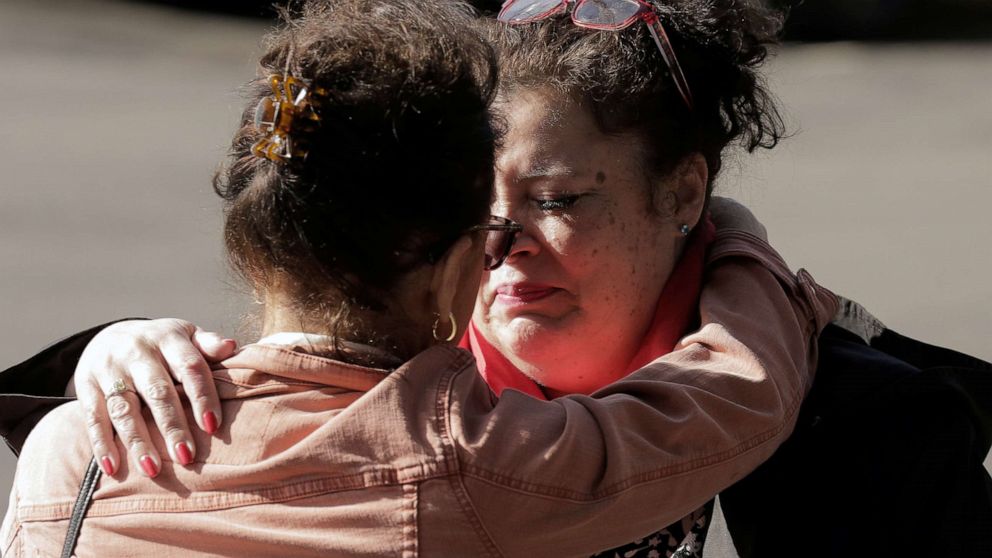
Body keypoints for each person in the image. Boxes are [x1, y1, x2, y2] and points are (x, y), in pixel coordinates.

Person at [0, 0, 836, 556]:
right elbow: (736, 390)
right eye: (490, 221)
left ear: (258, 239)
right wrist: (742, 240)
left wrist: (108, 345)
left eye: (555, 199)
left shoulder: (68, 452)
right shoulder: (483, 461)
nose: (506, 248)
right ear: (452, 269)